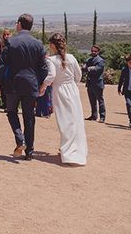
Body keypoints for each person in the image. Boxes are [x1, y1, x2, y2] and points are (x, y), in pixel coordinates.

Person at [0, 13, 48, 161]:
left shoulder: (11, 42)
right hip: (31, 85)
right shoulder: (38, 44)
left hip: (14, 84)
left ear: (19, 24)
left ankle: (20, 139)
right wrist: (42, 84)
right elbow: (43, 68)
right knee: (29, 117)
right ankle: (29, 151)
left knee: (11, 112)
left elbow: (3, 64)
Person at [40, 33, 87, 165]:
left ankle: (69, 152)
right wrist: (72, 84)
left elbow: (51, 76)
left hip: (60, 91)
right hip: (73, 90)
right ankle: (75, 149)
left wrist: (43, 87)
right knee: (75, 119)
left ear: (53, 45)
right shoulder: (71, 57)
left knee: (65, 121)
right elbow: (79, 75)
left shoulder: (51, 60)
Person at [83, 45, 106, 122]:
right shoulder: (89, 60)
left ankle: (102, 117)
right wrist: (85, 67)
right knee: (92, 100)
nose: (93, 52)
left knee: (100, 100)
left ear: (98, 52)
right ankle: (93, 115)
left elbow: (97, 69)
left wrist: (88, 68)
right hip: (90, 83)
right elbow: (84, 67)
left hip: (98, 83)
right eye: (92, 51)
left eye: (95, 51)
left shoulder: (101, 60)